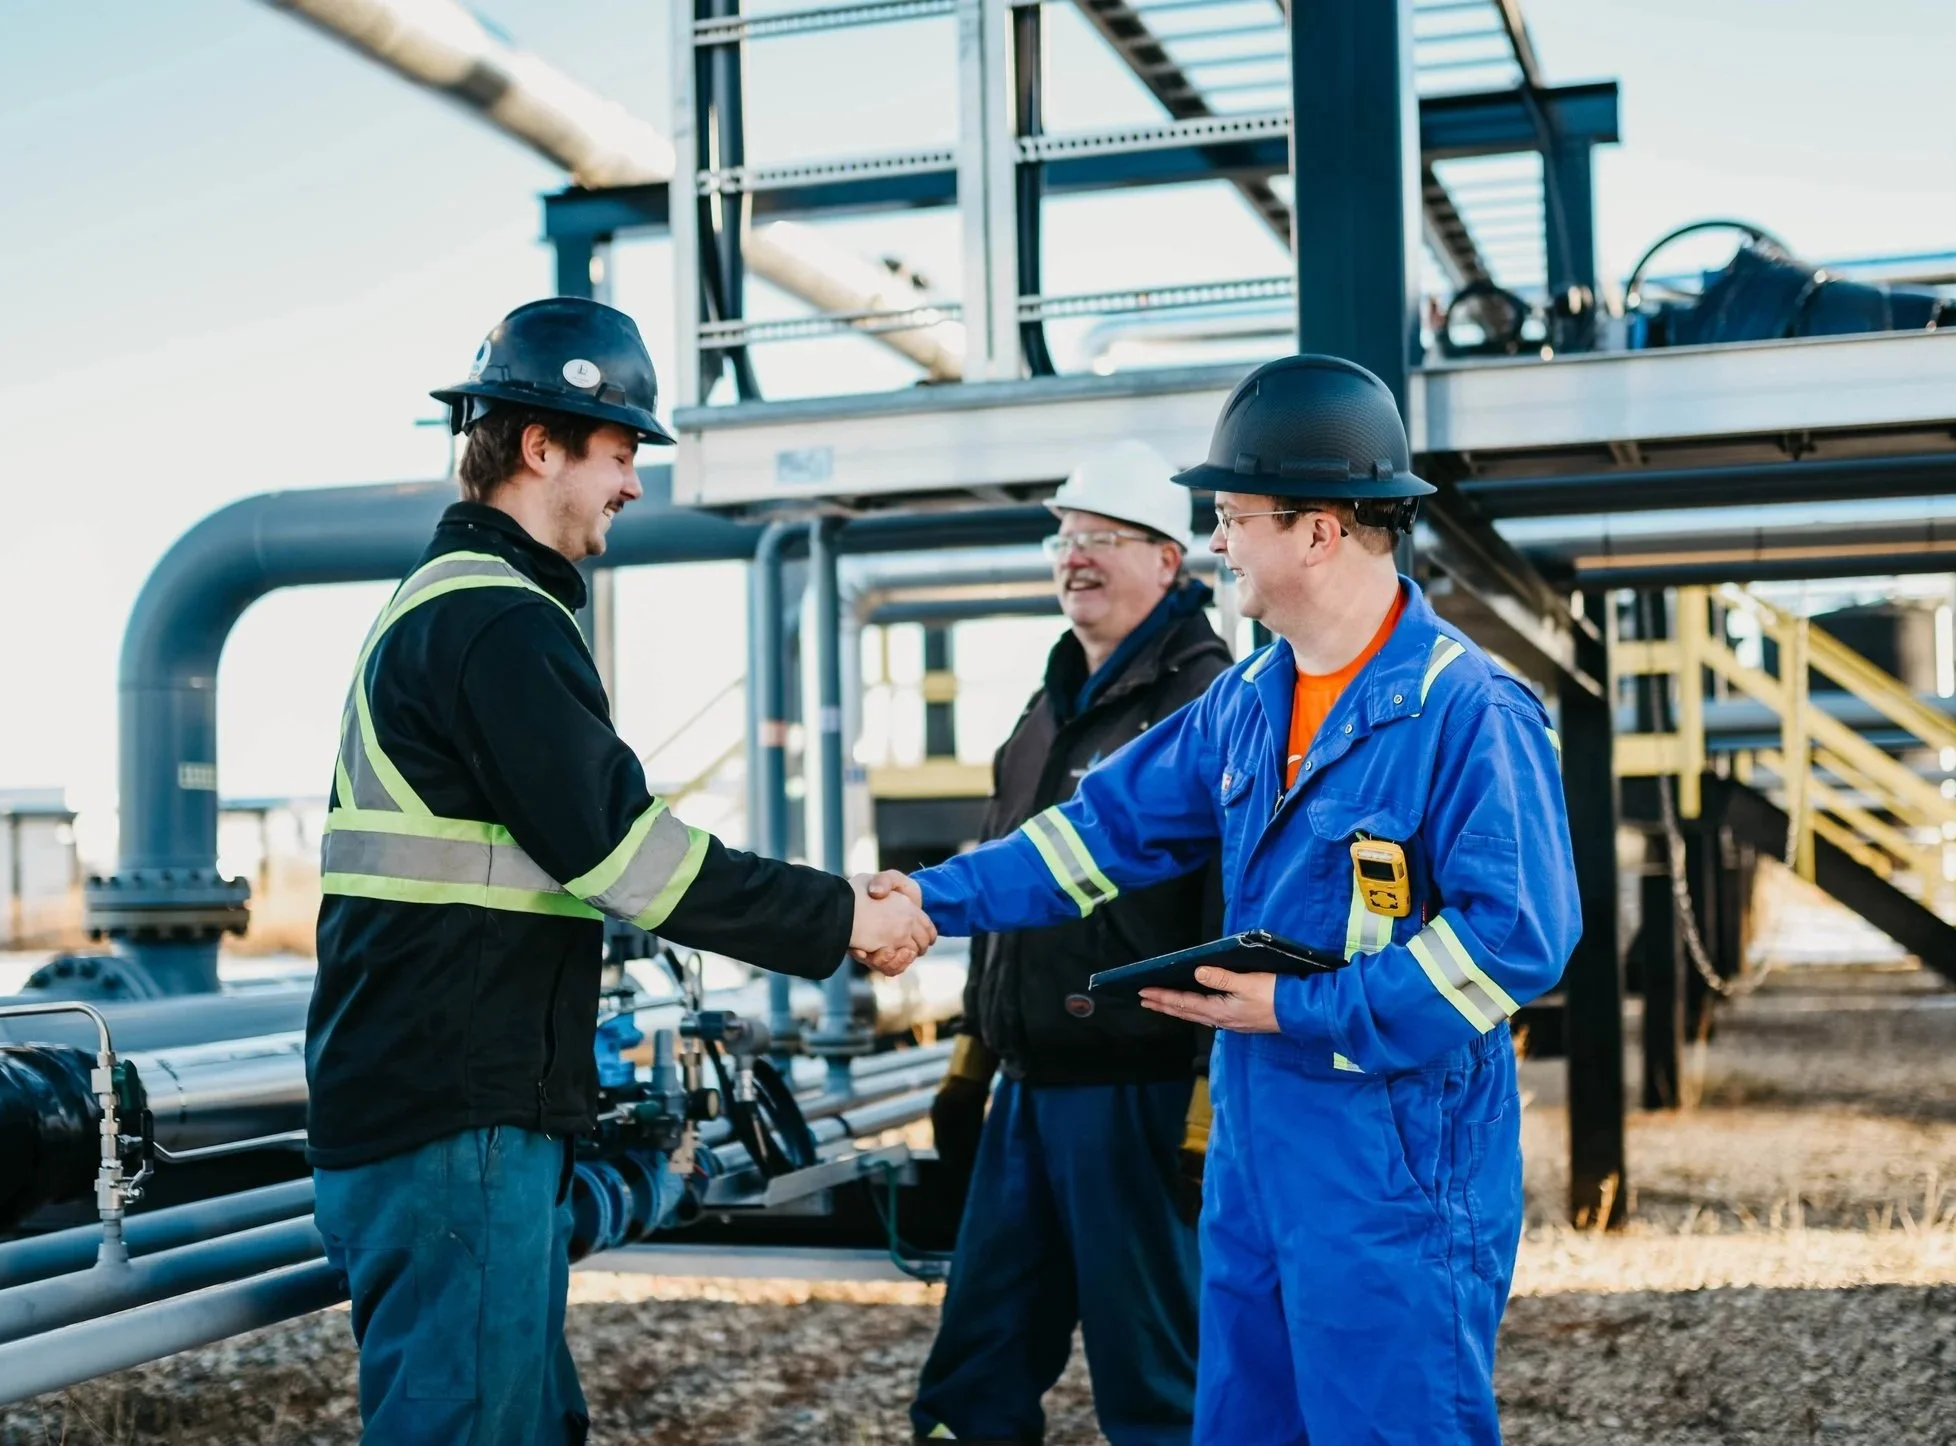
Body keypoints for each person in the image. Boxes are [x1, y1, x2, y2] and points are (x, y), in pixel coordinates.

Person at [874, 355, 1579, 1446]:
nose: (1216, 542)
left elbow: (1515, 941)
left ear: (1319, 530)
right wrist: (929, 897)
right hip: (1258, 1154)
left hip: (1392, 1167)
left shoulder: (1465, 707)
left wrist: (1301, 1011)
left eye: (1233, 515)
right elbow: (1096, 834)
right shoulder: (1250, 702)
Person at [305, 296, 935, 1446]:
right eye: (620, 451)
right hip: (457, 1120)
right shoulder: (497, 625)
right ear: (538, 446)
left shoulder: (454, 609)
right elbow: (626, 858)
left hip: (445, 1105)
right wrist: (843, 914)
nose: (636, 483)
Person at [911, 440, 1232, 1446]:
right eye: (1065, 536)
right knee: (975, 1375)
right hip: (1029, 1093)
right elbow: (1011, 893)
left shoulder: (1204, 708)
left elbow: (1233, 913)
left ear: (1168, 561)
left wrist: (1207, 1096)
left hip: (1136, 1099)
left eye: (1103, 538)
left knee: (1157, 1385)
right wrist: (974, 1054)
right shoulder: (1043, 714)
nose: (1075, 557)